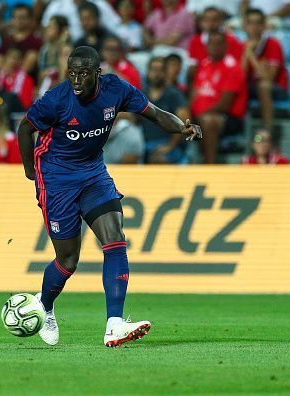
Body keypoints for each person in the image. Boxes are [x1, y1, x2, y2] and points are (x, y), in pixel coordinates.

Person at [16, 46, 202, 347]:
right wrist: (29, 171)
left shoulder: (115, 89)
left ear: (97, 73)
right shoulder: (55, 100)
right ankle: (46, 307)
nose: (76, 79)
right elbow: (25, 129)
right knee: (68, 261)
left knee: (115, 239)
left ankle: (114, 324)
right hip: (56, 179)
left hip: (92, 173)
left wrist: (182, 128)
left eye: (84, 73)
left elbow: (153, 113)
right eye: (72, 73)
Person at [191, 31, 247, 164]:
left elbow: (225, 104)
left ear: (225, 46)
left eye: (218, 44)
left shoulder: (232, 67)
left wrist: (200, 115)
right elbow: (194, 94)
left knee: (208, 121)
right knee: (177, 117)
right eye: (211, 44)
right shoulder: (204, 64)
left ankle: (209, 165)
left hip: (227, 117)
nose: (214, 47)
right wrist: (188, 113)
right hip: (201, 114)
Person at [242, 8, 288, 132]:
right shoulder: (241, 45)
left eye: (258, 23)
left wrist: (250, 55)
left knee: (264, 86)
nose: (254, 27)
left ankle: (268, 132)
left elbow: (269, 78)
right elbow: (240, 77)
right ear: (244, 26)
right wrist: (245, 55)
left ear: (264, 26)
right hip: (251, 87)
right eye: (250, 23)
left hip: (276, 87)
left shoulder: (273, 44)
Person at [139, 56, 189, 163]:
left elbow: (184, 123)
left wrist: (170, 146)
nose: (156, 74)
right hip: (144, 146)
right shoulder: (141, 95)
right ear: (148, 72)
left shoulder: (174, 94)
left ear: (166, 73)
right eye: (153, 70)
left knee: (158, 159)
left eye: (160, 70)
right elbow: (131, 117)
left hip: (168, 145)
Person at [0, 4, 42, 77]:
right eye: (16, 17)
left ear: (30, 19)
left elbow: (28, 66)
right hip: (6, 80)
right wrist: (6, 71)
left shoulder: (35, 41)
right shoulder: (7, 40)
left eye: (22, 17)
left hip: (27, 82)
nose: (19, 20)